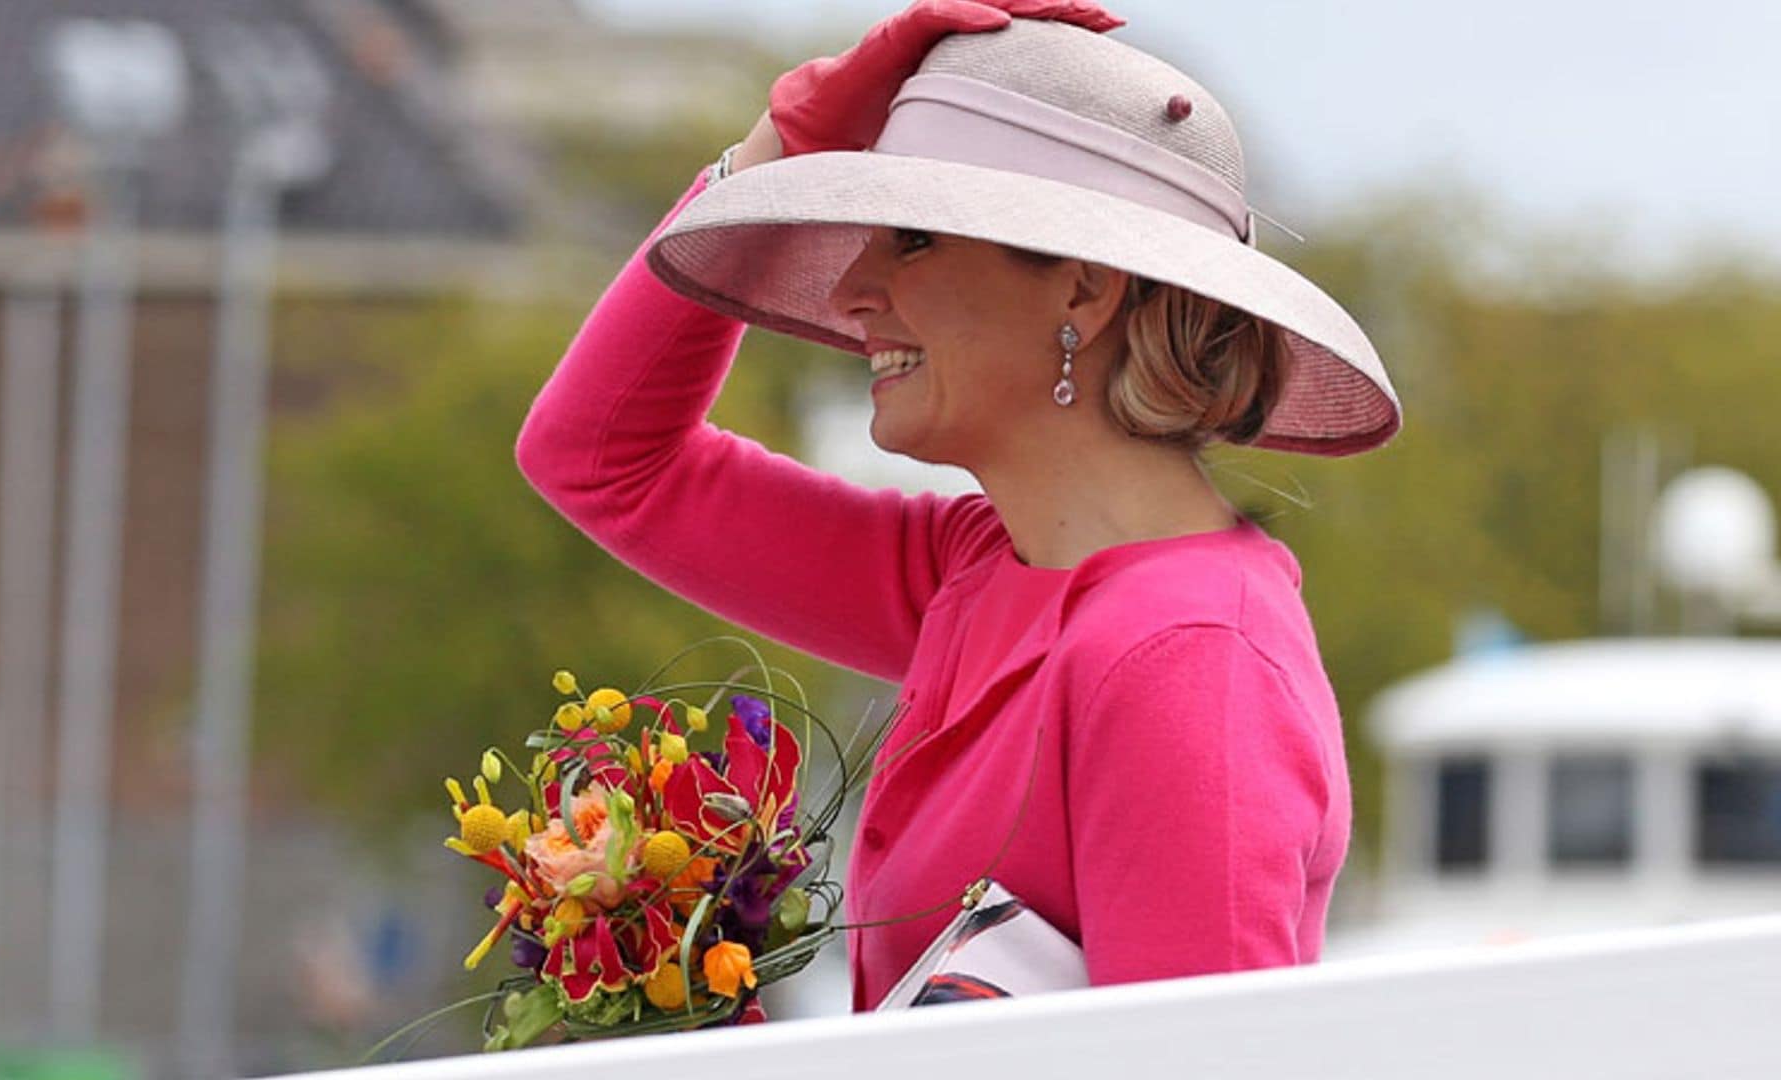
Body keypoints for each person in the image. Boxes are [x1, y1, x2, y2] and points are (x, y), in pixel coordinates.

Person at [516, 1, 1401, 1012]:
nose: (852, 291)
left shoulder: (1187, 657)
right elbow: (597, 456)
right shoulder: (980, 572)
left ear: (1084, 288)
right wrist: (783, 139)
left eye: (913, 240)